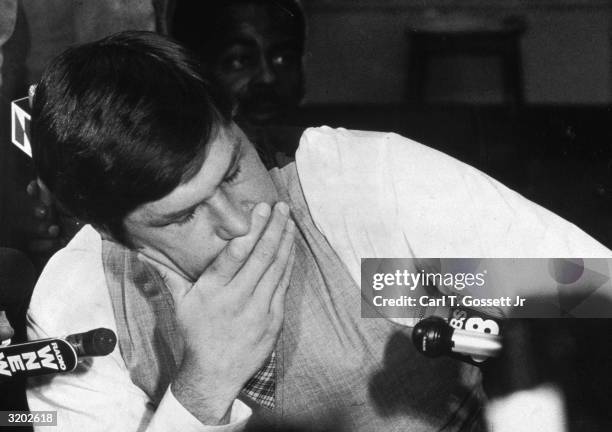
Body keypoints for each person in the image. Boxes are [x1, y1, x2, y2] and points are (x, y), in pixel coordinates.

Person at [26, 31, 611, 432]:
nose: (241, 221)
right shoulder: (82, 303)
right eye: (182, 216)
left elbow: (593, 293)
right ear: (111, 231)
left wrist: (492, 323)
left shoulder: (359, 189)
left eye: (234, 170)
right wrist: (200, 390)